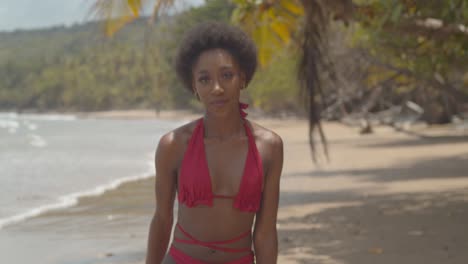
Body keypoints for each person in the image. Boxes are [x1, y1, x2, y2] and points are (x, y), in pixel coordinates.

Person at [145, 22, 283, 264]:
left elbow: (265, 232)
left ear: (243, 78)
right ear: (194, 87)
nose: (217, 88)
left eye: (227, 75)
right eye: (204, 79)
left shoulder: (269, 147)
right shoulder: (173, 145)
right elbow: (162, 220)